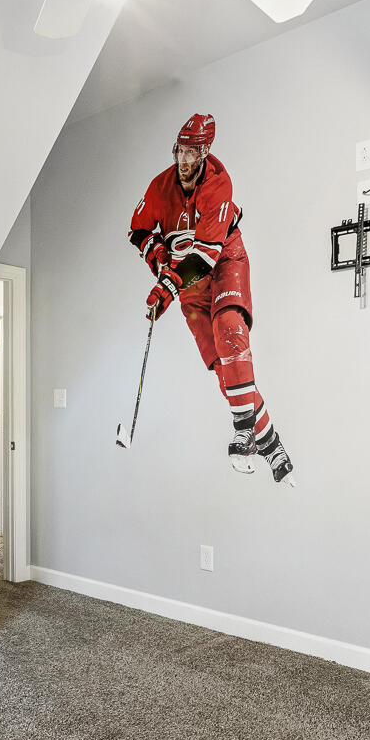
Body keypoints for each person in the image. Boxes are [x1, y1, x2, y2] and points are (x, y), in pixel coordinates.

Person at [127, 113, 294, 485]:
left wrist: (167, 287)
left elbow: (203, 257)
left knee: (228, 327)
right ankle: (270, 444)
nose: (184, 160)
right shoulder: (159, 187)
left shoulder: (219, 183)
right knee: (223, 367)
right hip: (188, 281)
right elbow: (138, 229)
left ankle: (243, 431)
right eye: (180, 151)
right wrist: (159, 259)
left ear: (204, 153)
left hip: (223, 262)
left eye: (192, 152)